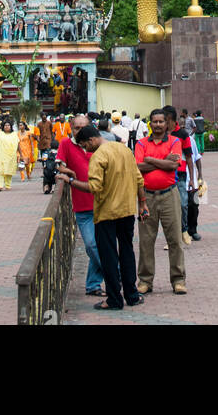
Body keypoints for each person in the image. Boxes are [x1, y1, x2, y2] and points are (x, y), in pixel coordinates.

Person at [75, 123, 147, 311]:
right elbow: (139, 178)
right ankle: (132, 295)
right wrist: (143, 203)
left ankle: (114, 298)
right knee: (127, 251)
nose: (85, 149)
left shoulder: (98, 155)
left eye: (84, 145)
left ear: (91, 140)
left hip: (106, 213)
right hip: (127, 210)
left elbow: (94, 187)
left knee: (108, 256)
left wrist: (71, 181)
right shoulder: (124, 149)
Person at [135, 108, 187, 295]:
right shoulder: (141, 143)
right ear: (150, 123)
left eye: (161, 122)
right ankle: (145, 280)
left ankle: (178, 280)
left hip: (169, 195)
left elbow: (174, 165)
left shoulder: (174, 141)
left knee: (174, 239)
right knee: (146, 240)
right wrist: (162, 161)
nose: (157, 125)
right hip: (146, 196)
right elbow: (138, 167)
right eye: (154, 122)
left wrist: (150, 160)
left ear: (167, 123)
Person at [55, 113, 106, 297]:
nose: (80, 132)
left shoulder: (99, 144)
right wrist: (67, 171)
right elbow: (58, 165)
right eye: (76, 128)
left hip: (103, 203)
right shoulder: (65, 144)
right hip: (82, 205)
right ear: (71, 127)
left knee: (101, 244)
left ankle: (93, 284)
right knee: (92, 245)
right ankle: (114, 274)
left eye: (83, 128)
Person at [164, 105, 196, 245]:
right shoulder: (161, 134)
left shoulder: (183, 134)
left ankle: (184, 230)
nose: (160, 122)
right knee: (168, 208)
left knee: (183, 204)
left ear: (170, 118)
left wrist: (192, 179)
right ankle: (172, 237)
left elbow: (189, 157)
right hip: (165, 174)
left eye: (163, 119)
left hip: (181, 175)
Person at [0, 120, 19, 190]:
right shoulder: (0, 134)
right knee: (0, 170)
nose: (7, 127)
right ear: (3, 127)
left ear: (11, 127)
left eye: (8, 125)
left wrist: (21, 155)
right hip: (1, 155)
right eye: (5, 125)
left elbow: (18, 145)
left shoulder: (14, 134)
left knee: (9, 171)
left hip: (11, 156)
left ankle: (8, 185)